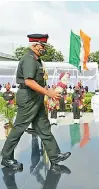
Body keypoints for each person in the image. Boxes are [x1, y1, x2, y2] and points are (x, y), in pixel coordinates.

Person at [0, 34, 71, 169]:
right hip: (28, 97)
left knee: (44, 127)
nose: (44, 48)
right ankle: (6, 157)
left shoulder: (37, 60)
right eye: (42, 45)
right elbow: (29, 81)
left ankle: (55, 156)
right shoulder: (29, 59)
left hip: (36, 97)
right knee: (19, 127)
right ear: (34, 45)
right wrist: (48, 93)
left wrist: (46, 91)